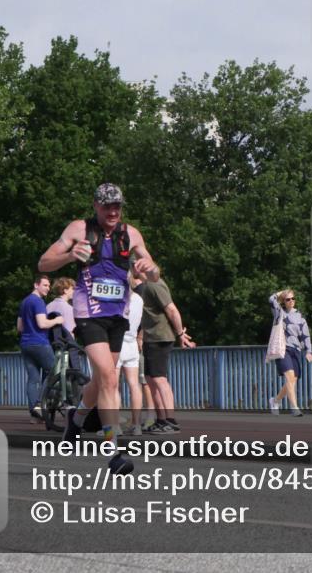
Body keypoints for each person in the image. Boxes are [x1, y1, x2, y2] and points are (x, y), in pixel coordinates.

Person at [38, 183, 160, 475]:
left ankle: (76, 421)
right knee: (108, 377)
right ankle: (114, 451)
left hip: (118, 314)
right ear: (96, 206)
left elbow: (155, 271)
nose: (113, 211)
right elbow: (44, 261)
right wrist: (69, 256)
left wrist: (149, 268)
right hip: (88, 312)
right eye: (107, 206)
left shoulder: (131, 234)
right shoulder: (79, 230)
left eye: (117, 206)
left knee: (102, 381)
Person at [131, 268, 195, 434]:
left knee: (160, 380)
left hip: (160, 337)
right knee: (151, 380)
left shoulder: (155, 285)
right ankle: (161, 420)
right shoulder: (146, 286)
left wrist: (180, 333)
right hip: (150, 337)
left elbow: (172, 310)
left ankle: (171, 420)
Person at [17, 274, 62, 423]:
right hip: (40, 343)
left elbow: (20, 327)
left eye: (49, 286)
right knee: (53, 373)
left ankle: (34, 412)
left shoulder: (24, 302)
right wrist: (57, 320)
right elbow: (42, 324)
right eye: (45, 285)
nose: (48, 289)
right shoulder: (38, 302)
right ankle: (42, 406)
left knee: (33, 378)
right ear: (36, 285)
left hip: (25, 344)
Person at [268, 289, 312, 417]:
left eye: (293, 298)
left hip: (296, 350)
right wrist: (281, 293)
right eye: (288, 299)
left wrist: (308, 351)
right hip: (283, 349)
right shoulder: (279, 313)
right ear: (284, 301)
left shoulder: (300, 317)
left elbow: (306, 336)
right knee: (289, 376)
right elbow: (271, 300)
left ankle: (275, 401)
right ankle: (294, 408)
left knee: (292, 380)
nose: (291, 301)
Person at [115, 276, 145, 436]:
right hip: (132, 342)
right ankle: (137, 425)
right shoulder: (139, 299)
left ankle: (115, 426)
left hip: (117, 343)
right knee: (134, 385)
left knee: (113, 386)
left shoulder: (118, 298)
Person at [45, 277, 80, 371]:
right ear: (65, 290)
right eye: (72, 289)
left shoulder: (48, 306)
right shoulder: (68, 308)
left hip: (49, 346)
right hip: (64, 348)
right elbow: (70, 332)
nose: (74, 291)